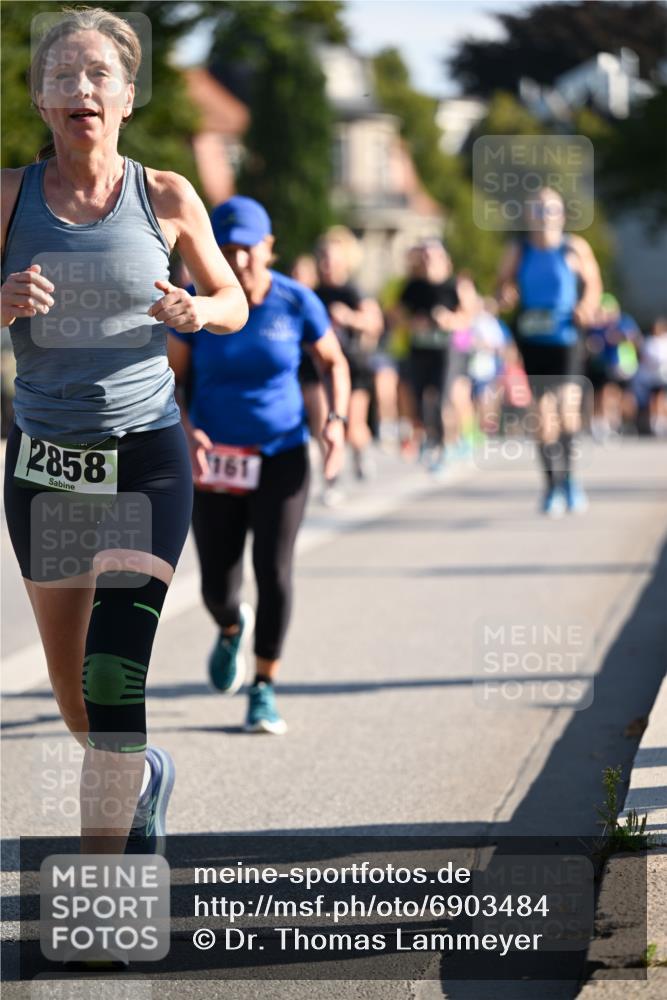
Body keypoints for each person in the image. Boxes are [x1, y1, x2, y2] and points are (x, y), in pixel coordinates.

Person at [1, 8, 248, 858]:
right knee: (77, 700)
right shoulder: (7, 198)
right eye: (63, 75)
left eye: (98, 75)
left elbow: (233, 300)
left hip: (145, 456)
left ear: (128, 97)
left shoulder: (167, 195)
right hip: (46, 467)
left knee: (113, 677)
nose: (81, 90)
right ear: (39, 97)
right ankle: (144, 779)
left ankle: (105, 893)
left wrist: (198, 308)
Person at [168, 196, 350, 735]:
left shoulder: (296, 301)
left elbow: (332, 361)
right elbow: (172, 379)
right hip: (216, 458)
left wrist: (336, 420)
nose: (240, 259)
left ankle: (264, 687)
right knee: (217, 589)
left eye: (249, 248)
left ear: (269, 249)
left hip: (281, 455)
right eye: (227, 249)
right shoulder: (197, 306)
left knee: (274, 572)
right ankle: (230, 628)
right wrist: (184, 426)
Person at [497, 187, 602, 516]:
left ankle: (570, 479)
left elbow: (594, 283)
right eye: (538, 210)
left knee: (568, 408)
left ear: (562, 216)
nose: (545, 216)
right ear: (529, 215)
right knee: (542, 416)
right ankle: (551, 485)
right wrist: (506, 294)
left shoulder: (574, 247)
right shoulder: (519, 249)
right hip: (533, 339)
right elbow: (502, 283)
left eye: (551, 210)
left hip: (567, 337)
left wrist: (586, 304)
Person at [396, 238, 475, 474]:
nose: (428, 261)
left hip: (448, 351)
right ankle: (429, 441)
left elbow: (469, 318)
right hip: (420, 350)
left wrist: (449, 321)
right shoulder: (412, 286)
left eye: (433, 256)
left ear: (444, 260)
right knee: (419, 399)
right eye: (425, 257)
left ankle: (443, 448)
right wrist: (412, 323)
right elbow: (396, 317)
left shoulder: (456, 285)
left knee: (442, 400)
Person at [313, 227, 384, 480]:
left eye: (331, 259)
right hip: (320, 367)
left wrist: (350, 317)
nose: (326, 264)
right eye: (322, 258)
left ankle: (361, 452)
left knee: (353, 426)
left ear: (344, 262)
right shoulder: (313, 293)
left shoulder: (353, 291)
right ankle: (332, 477)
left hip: (354, 364)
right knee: (324, 423)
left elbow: (375, 322)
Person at [584, 293, 641, 440]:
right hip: (603, 366)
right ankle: (602, 423)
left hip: (624, 366)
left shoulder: (624, 321)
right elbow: (589, 343)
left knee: (623, 397)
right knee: (604, 394)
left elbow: (636, 339)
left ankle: (621, 422)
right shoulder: (596, 325)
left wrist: (620, 337)